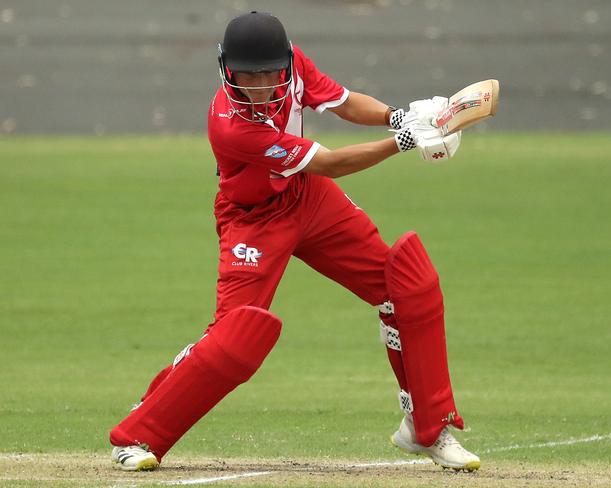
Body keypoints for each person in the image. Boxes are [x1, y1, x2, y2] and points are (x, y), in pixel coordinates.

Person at [108, 11, 480, 473]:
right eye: (249, 74)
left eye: (269, 72)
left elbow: (344, 103)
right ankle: (138, 433)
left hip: (308, 199)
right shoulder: (231, 125)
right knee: (233, 338)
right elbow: (329, 164)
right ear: (227, 70)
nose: (262, 84)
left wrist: (396, 115)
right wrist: (404, 141)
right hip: (254, 219)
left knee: (404, 285)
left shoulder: (294, 64)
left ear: (284, 62)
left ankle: (426, 427)